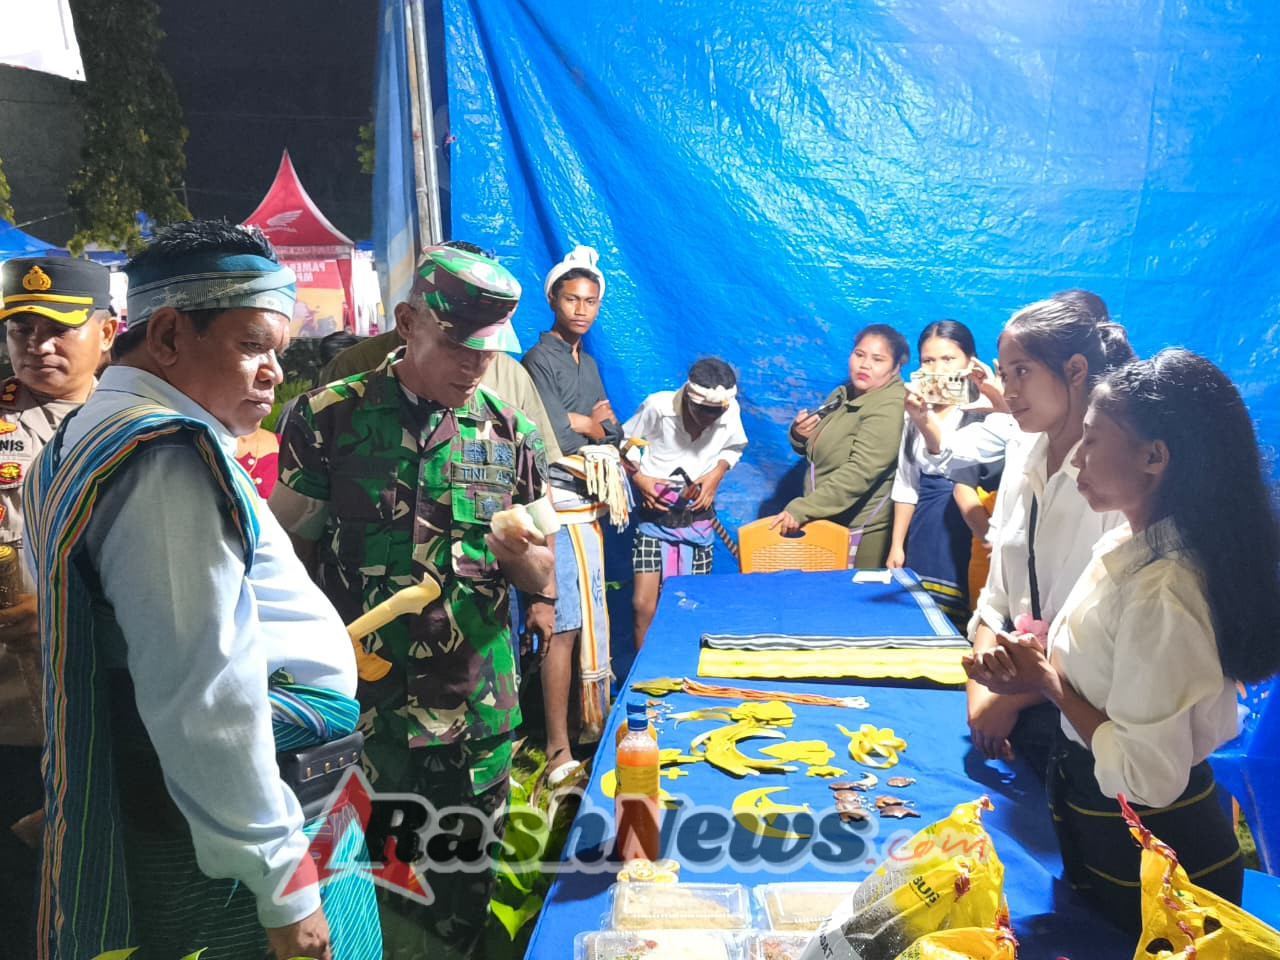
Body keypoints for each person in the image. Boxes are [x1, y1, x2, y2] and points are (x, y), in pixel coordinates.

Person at [23, 221, 378, 960]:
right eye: (253, 345)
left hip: (232, 802)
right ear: (170, 335)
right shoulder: (165, 458)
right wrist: (283, 883)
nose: (274, 372)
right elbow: (205, 689)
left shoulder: (77, 439)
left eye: (278, 352)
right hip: (260, 824)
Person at [270, 244, 555, 960]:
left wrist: (526, 560)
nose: (474, 365)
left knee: (466, 900)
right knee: (366, 899)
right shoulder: (329, 418)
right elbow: (286, 554)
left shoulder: (507, 431)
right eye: (457, 346)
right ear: (406, 322)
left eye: (486, 352)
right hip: (369, 717)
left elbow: (543, 569)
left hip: (475, 716)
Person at [964, 348, 1280, 932]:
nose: (1077, 458)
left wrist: (1048, 685)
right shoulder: (1126, 550)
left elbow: (1144, 775)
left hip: (1163, 858)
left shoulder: (1166, 591)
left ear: (1154, 457)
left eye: (1092, 442)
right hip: (1109, 837)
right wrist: (1036, 663)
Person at [961, 295, 1133, 778]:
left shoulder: (1119, 478)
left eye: (1022, 372)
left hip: (1087, 722)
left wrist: (1015, 698)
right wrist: (984, 682)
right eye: (1003, 372)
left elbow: (1108, 637)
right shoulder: (1022, 449)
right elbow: (996, 595)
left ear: (1075, 369)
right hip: (1014, 701)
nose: (1007, 389)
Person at [0, 256, 117, 959]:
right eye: (22, 330)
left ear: (107, 332)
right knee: (19, 910)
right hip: (15, 722)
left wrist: (73, 607)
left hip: (116, 714)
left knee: (109, 903)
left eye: (60, 328)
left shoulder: (153, 426)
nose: (38, 345)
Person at [521, 245, 623, 786]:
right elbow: (550, 435)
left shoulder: (590, 362)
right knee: (560, 627)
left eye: (591, 301)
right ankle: (556, 748)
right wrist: (587, 426)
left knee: (589, 624)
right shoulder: (538, 360)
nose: (582, 308)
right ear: (554, 300)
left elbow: (613, 430)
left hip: (590, 511)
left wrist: (591, 426)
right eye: (572, 298)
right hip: (556, 507)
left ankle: (589, 730)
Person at [886, 320, 1015, 624]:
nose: (938, 368)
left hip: (973, 519)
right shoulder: (915, 410)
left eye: (948, 359)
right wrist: (896, 545)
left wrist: (995, 395)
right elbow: (906, 483)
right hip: (926, 525)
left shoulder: (986, 407)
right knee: (921, 615)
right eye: (929, 360)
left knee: (967, 615)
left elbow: (1012, 449)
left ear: (970, 361)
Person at [622, 357, 747, 648]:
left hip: (697, 520)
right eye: (701, 410)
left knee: (691, 603)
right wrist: (641, 480)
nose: (707, 418)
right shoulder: (658, 407)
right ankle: (643, 672)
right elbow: (626, 446)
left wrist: (716, 474)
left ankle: (684, 667)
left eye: (715, 412)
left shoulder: (729, 412)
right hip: (655, 519)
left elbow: (734, 446)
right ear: (688, 398)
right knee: (643, 604)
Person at [766, 323, 908, 568]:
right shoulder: (844, 395)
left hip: (860, 530)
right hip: (827, 518)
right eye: (859, 354)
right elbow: (823, 447)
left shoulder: (890, 407)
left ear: (895, 368)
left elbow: (860, 473)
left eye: (878, 359)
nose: (865, 365)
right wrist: (800, 435)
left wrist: (802, 509)